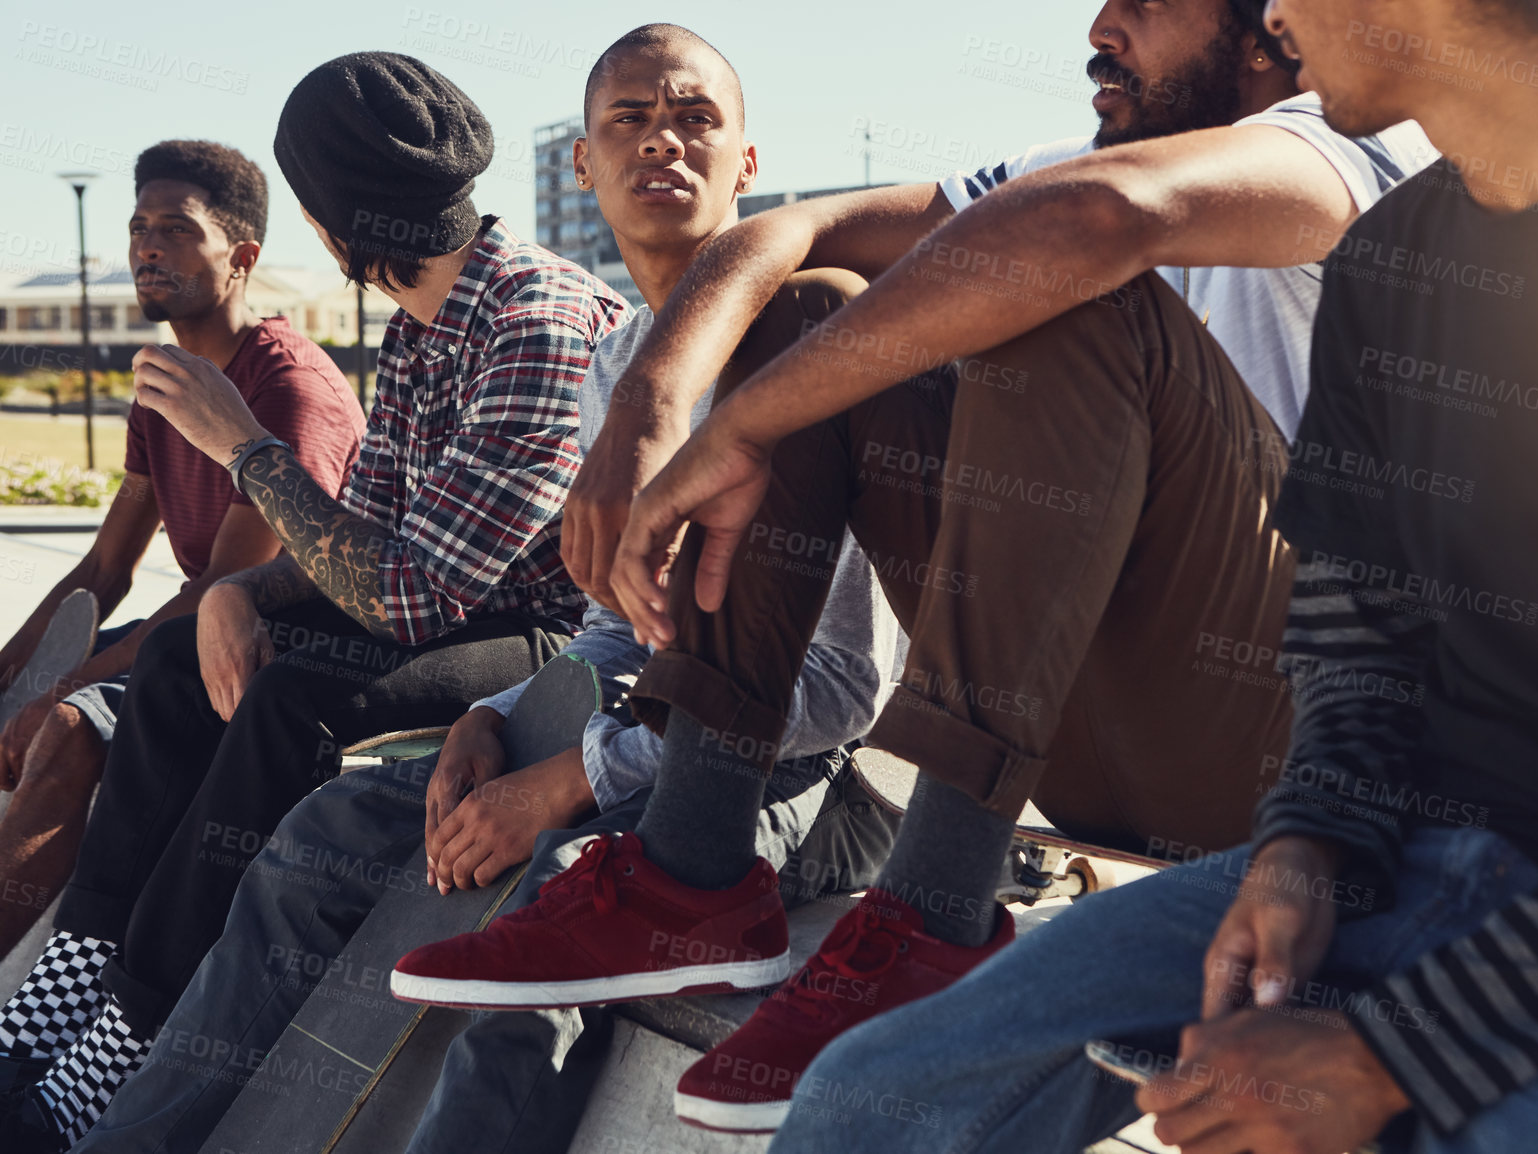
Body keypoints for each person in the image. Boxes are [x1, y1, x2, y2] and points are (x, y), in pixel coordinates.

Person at [395, 0, 1436, 1133]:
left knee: (1068, 284)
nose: (1100, 26)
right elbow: (777, 238)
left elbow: (1095, 221)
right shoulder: (1078, 169)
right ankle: (687, 870)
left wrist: (737, 430)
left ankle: (935, 908)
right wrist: (647, 408)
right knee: (808, 313)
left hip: (1289, 746)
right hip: (1077, 727)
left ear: (1266, 33)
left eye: (1145, 3)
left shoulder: (1334, 149)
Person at [769, 0, 1538, 1151]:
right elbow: (1355, 626)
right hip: (1408, 863)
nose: (1271, 14)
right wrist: (1306, 847)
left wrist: (1395, 1053)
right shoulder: (1391, 253)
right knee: (866, 1100)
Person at [75, 25, 901, 1154]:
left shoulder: (825, 343)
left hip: (777, 774)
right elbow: (609, 631)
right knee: (320, 834)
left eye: (695, 118)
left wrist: (569, 774)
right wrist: (493, 719)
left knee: (556, 920)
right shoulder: (626, 368)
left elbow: (842, 687)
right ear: (580, 167)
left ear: (748, 161)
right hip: (605, 726)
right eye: (627, 121)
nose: (661, 141)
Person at [0, 53, 628, 1151]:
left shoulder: (531, 320)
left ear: (330, 227)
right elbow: (364, 535)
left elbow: (412, 592)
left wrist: (241, 448)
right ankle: (58, 1001)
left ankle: (120, 1047)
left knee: (296, 697)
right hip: (442, 595)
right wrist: (236, 591)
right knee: (167, 661)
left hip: (550, 638)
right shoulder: (426, 320)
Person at [0, 141, 363, 965]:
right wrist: (8, 670)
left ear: (241, 257)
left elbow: (223, 589)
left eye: (175, 228)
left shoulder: (288, 389)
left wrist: (60, 688)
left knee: (66, 723)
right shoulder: (163, 382)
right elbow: (105, 569)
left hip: (272, 657)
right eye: (137, 228)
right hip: (182, 639)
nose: (146, 247)